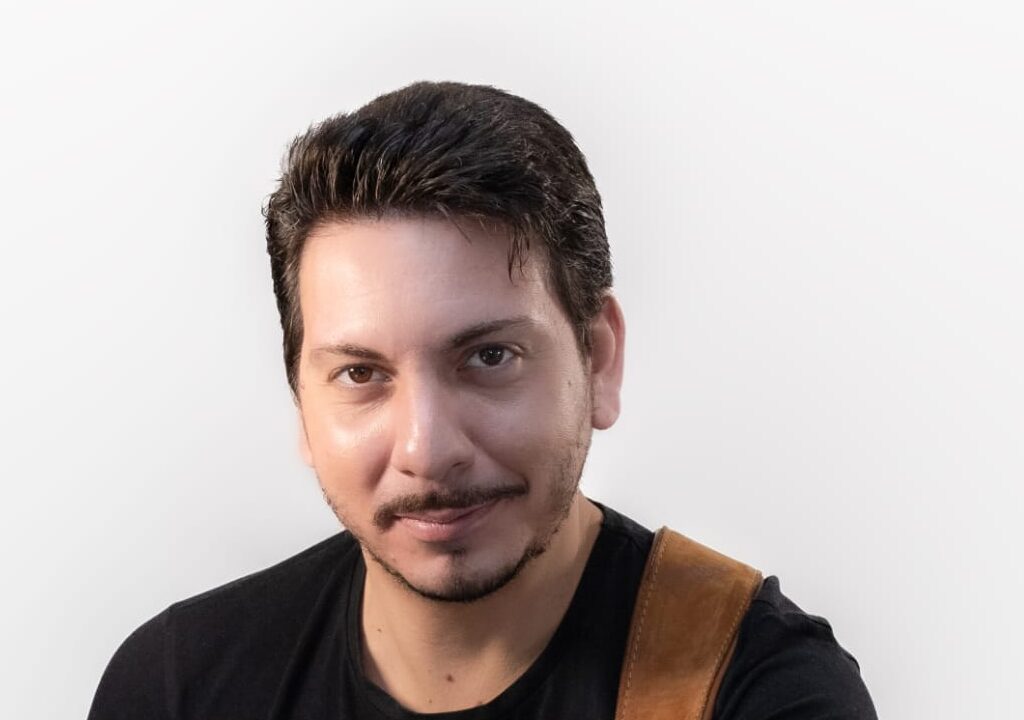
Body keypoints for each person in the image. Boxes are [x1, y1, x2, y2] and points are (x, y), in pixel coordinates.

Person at [88, 81, 876, 719]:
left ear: (598, 361)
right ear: (301, 398)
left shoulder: (757, 690)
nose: (427, 450)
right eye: (360, 374)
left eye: (489, 357)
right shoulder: (179, 688)